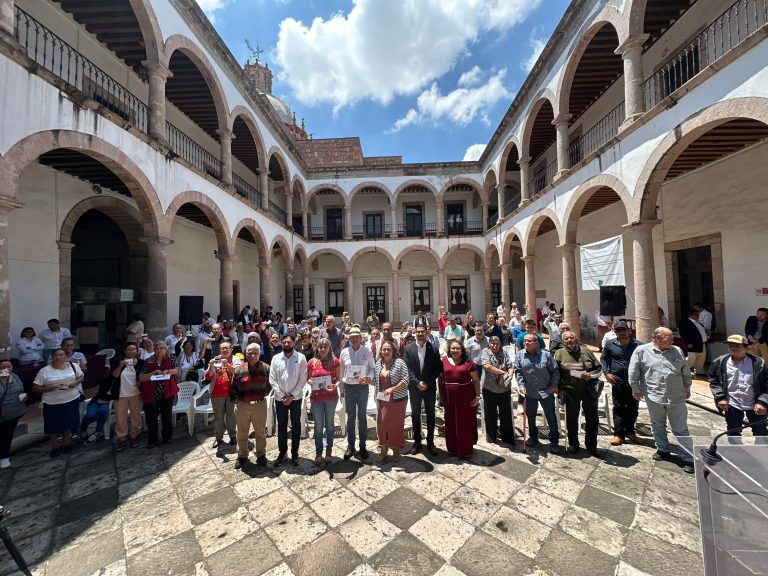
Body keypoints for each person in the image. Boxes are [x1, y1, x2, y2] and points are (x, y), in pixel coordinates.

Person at [629, 327, 694, 473]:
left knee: (680, 428)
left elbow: (685, 371)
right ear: (657, 338)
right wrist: (636, 389)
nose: (672, 341)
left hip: (676, 396)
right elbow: (633, 372)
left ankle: (688, 457)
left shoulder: (677, 350)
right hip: (654, 396)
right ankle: (663, 449)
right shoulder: (642, 351)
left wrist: (687, 387)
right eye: (669, 338)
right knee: (657, 425)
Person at [554, 331, 603, 457]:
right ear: (563, 341)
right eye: (566, 338)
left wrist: (590, 375)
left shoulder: (586, 351)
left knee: (592, 419)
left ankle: (591, 445)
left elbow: (598, 368)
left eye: (571, 337)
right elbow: (556, 373)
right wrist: (559, 388)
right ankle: (573, 444)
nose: (569, 340)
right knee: (571, 419)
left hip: (588, 390)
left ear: (575, 339)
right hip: (570, 391)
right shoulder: (559, 353)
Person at [708, 334, 768, 436]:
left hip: (755, 404)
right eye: (730, 345)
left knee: (761, 432)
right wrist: (720, 397)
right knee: (733, 433)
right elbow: (714, 380)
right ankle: (735, 447)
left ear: (747, 348)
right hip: (732, 404)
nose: (733, 348)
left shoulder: (758, 363)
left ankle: (761, 447)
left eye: (737, 346)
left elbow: (766, 384)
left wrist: (763, 402)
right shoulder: (720, 362)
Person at [33, 348, 83, 457]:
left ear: (65, 356)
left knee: (68, 422)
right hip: (52, 402)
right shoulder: (44, 371)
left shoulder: (73, 366)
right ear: (52, 357)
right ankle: (54, 446)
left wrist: (75, 383)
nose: (58, 357)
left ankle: (66, 443)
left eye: (61, 355)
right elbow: (35, 387)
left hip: (71, 399)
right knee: (52, 425)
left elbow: (81, 376)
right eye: (56, 355)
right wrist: (49, 389)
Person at [515, 334, 560, 452]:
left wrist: (553, 386)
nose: (526, 343)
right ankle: (533, 437)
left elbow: (555, 371)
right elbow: (518, 371)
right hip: (530, 391)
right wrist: (521, 385)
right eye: (525, 341)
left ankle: (554, 441)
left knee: (551, 416)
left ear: (536, 343)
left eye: (529, 341)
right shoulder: (519, 355)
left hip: (546, 391)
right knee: (530, 415)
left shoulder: (546, 355)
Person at [403, 324, 443, 455]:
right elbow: (407, 369)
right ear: (414, 332)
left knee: (431, 414)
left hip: (429, 387)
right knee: (415, 414)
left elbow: (438, 368)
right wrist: (417, 382)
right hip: (414, 388)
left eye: (422, 332)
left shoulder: (434, 348)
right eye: (418, 332)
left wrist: (427, 382)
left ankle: (430, 442)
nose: (420, 334)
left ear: (426, 333)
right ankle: (417, 442)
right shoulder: (408, 348)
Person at [231, 343, 272, 470]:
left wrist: (261, 397)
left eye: (255, 353)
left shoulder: (266, 368)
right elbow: (233, 387)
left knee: (260, 432)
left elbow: (270, 385)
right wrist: (239, 402)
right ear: (246, 354)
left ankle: (261, 455)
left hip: (259, 405)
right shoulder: (239, 369)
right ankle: (242, 456)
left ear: (259, 354)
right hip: (242, 406)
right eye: (250, 353)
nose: (253, 355)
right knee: (242, 433)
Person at [269, 333, 308, 466]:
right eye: (284, 342)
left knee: (296, 425)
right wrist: (282, 395)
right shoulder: (276, 358)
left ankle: (295, 452)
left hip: (295, 398)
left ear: (294, 343)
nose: (286, 344)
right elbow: (272, 379)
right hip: (280, 398)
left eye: (289, 342)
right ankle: (282, 452)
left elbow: (303, 378)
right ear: (281, 343)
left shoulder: (301, 357)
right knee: (281, 425)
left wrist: (292, 396)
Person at [338, 325, 376, 460]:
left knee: (362, 418)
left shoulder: (367, 351)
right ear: (349, 339)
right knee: (350, 418)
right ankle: (351, 446)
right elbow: (341, 372)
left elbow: (372, 368)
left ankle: (363, 445)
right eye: (352, 337)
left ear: (361, 338)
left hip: (362, 388)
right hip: (349, 388)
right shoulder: (344, 352)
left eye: (357, 337)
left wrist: (369, 378)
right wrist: (341, 388)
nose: (354, 339)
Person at [601, 320, 641, 446]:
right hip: (617, 381)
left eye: (623, 330)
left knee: (633, 407)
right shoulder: (610, 344)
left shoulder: (638, 345)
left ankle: (630, 432)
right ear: (615, 332)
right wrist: (607, 373)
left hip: (634, 382)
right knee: (618, 407)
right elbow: (603, 359)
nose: (621, 333)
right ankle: (618, 434)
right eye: (618, 330)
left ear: (629, 331)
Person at [439, 339, 481, 458]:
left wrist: (477, 396)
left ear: (462, 350)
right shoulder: (443, 361)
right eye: (453, 348)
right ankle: (452, 447)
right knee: (450, 421)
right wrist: (441, 395)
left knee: (464, 422)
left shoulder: (469, 363)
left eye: (458, 348)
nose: (455, 350)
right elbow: (440, 379)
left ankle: (465, 449)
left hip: (465, 397)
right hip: (449, 397)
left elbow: (476, 380)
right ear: (449, 349)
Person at [307, 338, 341, 465]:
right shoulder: (312, 362)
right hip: (316, 398)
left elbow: (339, 379)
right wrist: (312, 382)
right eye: (320, 347)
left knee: (330, 425)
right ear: (317, 348)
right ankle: (318, 452)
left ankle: (329, 451)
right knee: (318, 426)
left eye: (325, 347)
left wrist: (335, 385)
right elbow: (307, 378)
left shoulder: (335, 361)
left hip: (331, 397)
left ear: (329, 348)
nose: (322, 349)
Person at [138, 342, 179, 448]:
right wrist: (153, 373)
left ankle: (167, 437)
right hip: (151, 394)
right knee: (151, 418)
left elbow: (176, 370)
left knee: (167, 416)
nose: (159, 350)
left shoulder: (171, 358)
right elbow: (141, 377)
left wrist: (167, 371)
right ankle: (153, 439)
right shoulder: (148, 360)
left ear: (165, 349)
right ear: (154, 350)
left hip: (167, 393)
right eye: (157, 348)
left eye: (161, 348)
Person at [375, 340, 410, 462]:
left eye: (388, 349)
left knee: (396, 425)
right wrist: (368, 380)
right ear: (380, 351)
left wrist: (393, 389)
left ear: (393, 351)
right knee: (382, 423)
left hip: (398, 399)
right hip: (383, 399)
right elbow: (376, 381)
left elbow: (406, 380)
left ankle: (396, 449)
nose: (386, 351)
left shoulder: (399, 363)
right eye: (384, 349)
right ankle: (384, 448)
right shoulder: (378, 363)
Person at [203, 340, 240, 450]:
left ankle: (233, 436)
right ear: (220, 350)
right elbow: (208, 376)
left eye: (227, 348)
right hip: (217, 392)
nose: (224, 350)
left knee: (231, 415)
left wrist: (227, 365)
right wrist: (211, 366)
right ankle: (218, 437)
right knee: (218, 416)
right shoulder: (216, 359)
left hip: (232, 392)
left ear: (231, 349)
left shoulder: (236, 359)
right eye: (222, 348)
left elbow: (238, 372)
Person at [480, 336, 515, 445]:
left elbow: (510, 365)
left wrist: (510, 375)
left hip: (504, 387)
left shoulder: (504, 352)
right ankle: (491, 436)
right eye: (493, 343)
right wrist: (503, 372)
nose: (495, 345)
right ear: (489, 344)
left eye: (497, 343)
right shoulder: (485, 352)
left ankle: (507, 437)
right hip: (489, 387)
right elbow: (487, 366)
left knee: (506, 412)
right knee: (490, 413)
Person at [111, 343, 144, 451]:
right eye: (129, 350)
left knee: (136, 416)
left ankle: (135, 435)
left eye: (134, 349)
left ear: (137, 351)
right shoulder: (117, 361)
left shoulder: (141, 362)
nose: (131, 352)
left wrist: (140, 382)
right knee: (120, 417)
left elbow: (142, 377)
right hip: (121, 394)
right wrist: (121, 365)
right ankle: (121, 438)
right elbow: (114, 375)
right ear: (125, 351)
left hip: (135, 393)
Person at [0, 359, 26, 468]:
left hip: (15, 412)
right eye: (3, 367)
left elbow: (21, 388)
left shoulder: (15, 376)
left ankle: (4, 456)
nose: (6, 369)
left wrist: (24, 396)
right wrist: (2, 381)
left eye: (9, 366)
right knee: (2, 435)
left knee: (8, 434)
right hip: (2, 414)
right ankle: (3, 456)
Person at [79, 368, 114, 446]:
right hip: (95, 401)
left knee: (103, 411)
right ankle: (83, 429)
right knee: (90, 415)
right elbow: (95, 393)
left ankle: (97, 432)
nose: (105, 374)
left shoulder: (113, 381)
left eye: (107, 372)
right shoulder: (98, 381)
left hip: (106, 402)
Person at [679, 308, 708, 376]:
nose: (698, 315)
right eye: (696, 314)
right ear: (691, 315)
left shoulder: (698, 322)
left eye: (698, 314)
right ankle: (682, 370)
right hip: (692, 343)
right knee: (691, 358)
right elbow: (684, 333)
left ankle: (699, 371)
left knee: (701, 357)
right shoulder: (685, 322)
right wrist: (688, 343)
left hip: (702, 343)